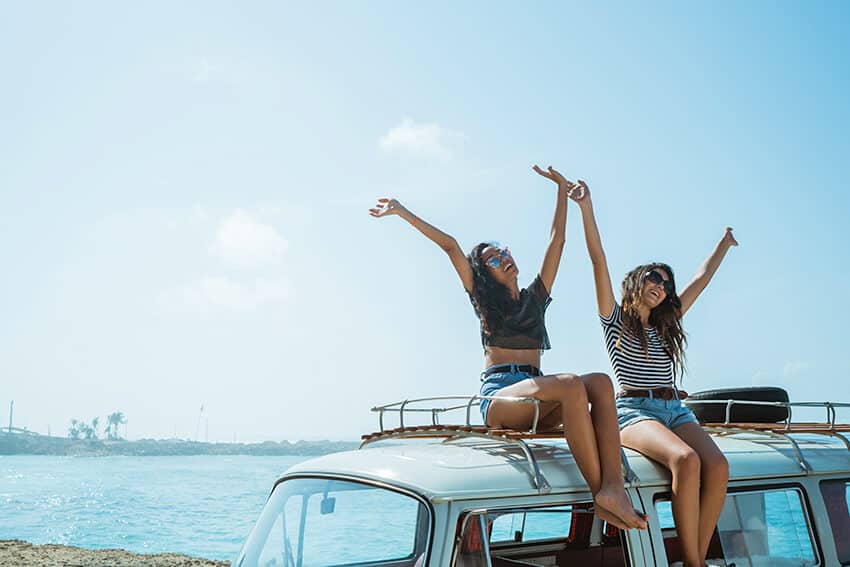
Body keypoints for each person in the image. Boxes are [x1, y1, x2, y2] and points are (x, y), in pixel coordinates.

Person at [369, 165, 647, 531]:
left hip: (537, 392)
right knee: (569, 382)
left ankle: (613, 485)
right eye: (494, 260)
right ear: (486, 275)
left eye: (504, 252)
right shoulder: (483, 299)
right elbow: (451, 246)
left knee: (599, 382)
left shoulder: (535, 298)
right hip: (501, 397)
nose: (504, 258)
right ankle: (603, 494)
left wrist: (561, 191)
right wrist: (403, 211)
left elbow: (557, 241)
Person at [572, 179, 736, 566]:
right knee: (685, 461)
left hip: (674, 409)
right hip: (633, 412)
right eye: (654, 277)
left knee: (718, 465)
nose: (661, 285)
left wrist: (723, 244)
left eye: (666, 282)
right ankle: (693, 563)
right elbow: (598, 259)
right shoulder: (615, 321)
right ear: (636, 281)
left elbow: (703, 278)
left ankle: (695, 556)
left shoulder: (666, 326)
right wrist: (586, 207)